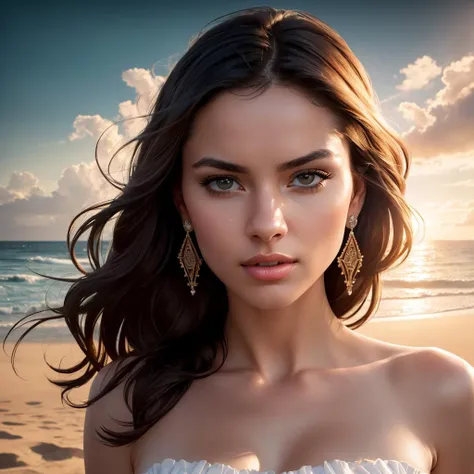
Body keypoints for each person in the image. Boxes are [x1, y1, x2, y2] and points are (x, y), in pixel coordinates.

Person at [4, 6, 473, 474]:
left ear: (356, 195)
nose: (267, 223)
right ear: (183, 202)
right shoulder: (125, 400)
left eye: (307, 177)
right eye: (224, 182)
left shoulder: (445, 393)